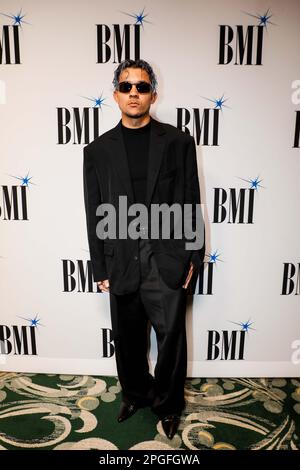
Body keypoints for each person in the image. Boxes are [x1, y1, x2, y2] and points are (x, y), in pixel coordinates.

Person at [83, 59, 205, 440]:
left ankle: (168, 405)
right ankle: (136, 394)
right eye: (126, 86)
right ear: (115, 94)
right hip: (121, 259)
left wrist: (193, 257)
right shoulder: (97, 150)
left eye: (141, 86)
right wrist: (99, 266)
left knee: (171, 339)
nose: (133, 92)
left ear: (154, 92)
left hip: (166, 258)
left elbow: (190, 202)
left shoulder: (179, 142)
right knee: (129, 337)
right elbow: (94, 211)